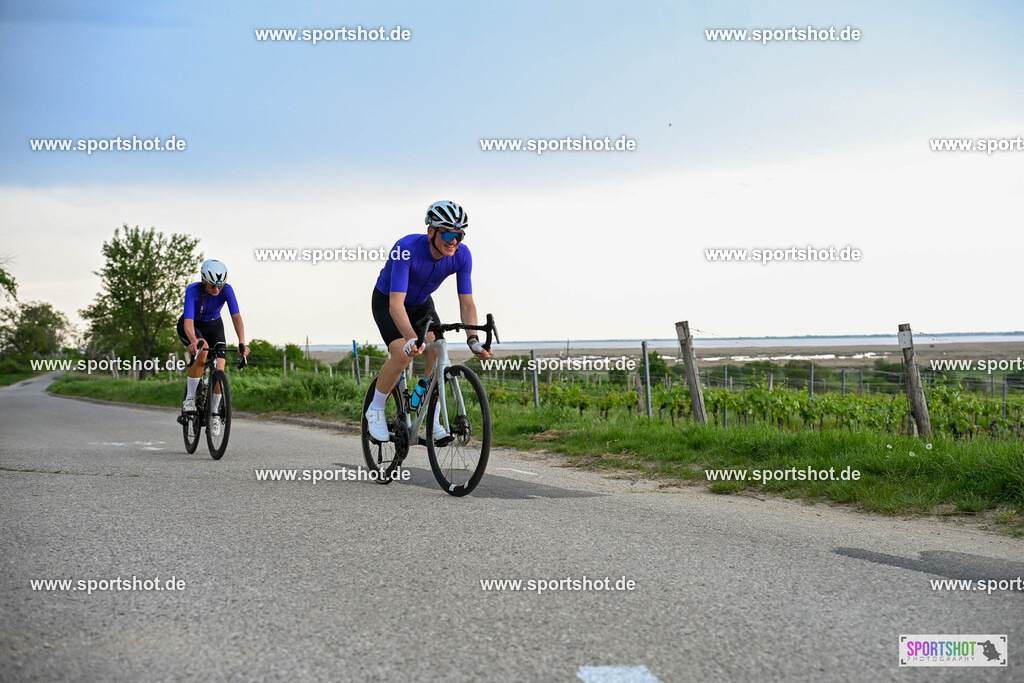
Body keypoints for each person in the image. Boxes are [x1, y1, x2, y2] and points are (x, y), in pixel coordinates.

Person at [365, 200, 492, 441]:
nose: (453, 241)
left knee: (437, 349)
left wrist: (473, 340)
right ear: (431, 231)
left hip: (422, 303)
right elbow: (396, 305)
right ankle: (376, 409)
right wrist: (411, 338)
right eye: (447, 233)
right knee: (403, 354)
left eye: (459, 235)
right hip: (389, 301)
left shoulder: (462, 256)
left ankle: (429, 412)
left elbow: (467, 304)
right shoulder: (406, 248)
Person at [178, 259, 250, 437]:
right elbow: (188, 323)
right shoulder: (192, 290)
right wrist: (194, 340)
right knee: (203, 353)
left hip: (214, 326)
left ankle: (215, 413)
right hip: (192, 326)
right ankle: (190, 399)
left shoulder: (227, 290)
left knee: (220, 366)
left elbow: (236, 317)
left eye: (220, 285)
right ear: (203, 280)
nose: (217, 290)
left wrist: (242, 342)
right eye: (212, 286)